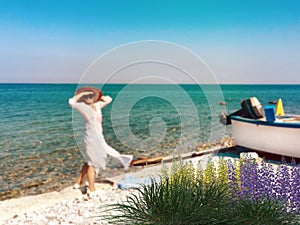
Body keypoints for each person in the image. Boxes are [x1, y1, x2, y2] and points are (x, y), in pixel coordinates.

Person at [68, 87, 133, 194]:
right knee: (92, 163)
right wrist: (79, 95)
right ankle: (92, 189)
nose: (89, 98)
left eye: (90, 96)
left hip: (100, 138)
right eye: (86, 97)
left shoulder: (97, 105)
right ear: (83, 98)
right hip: (91, 138)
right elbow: (71, 102)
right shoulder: (82, 107)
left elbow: (109, 99)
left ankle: (79, 182)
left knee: (90, 160)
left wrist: (98, 95)